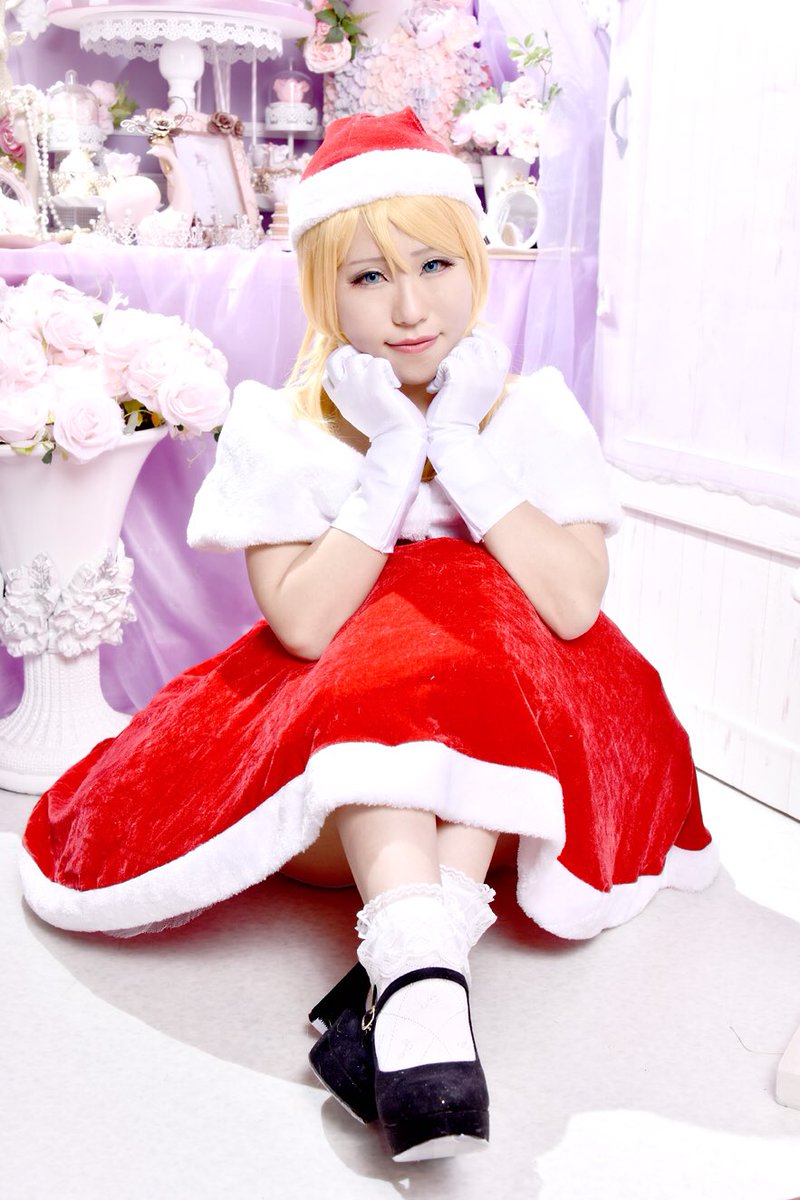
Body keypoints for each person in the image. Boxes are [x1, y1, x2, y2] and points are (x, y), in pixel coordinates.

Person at [19, 109, 719, 1163]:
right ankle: (425, 975)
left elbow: (572, 607)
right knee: (422, 599)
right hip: (332, 780)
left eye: (435, 264)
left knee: (471, 592)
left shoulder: (531, 411)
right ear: (322, 292)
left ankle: (415, 988)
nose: (409, 307)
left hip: (520, 764)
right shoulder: (285, 422)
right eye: (368, 277)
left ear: (476, 264)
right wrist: (395, 455)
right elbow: (303, 625)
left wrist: (460, 449)